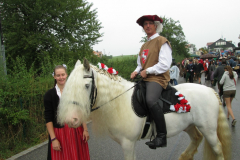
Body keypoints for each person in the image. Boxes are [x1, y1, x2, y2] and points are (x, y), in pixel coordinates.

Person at [130, 15, 172, 149]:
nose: (147, 26)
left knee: (150, 100)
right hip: (145, 77)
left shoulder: (162, 41)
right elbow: (140, 64)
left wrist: (147, 71)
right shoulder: (144, 45)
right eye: (145, 24)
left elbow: (165, 64)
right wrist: (136, 71)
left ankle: (161, 136)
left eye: (149, 23)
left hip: (158, 78)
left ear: (155, 25)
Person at [44, 65, 90, 160]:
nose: (61, 77)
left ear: (67, 75)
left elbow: (80, 111)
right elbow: (48, 118)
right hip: (60, 134)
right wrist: (53, 139)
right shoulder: (49, 95)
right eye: (58, 75)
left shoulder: (74, 91)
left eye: (63, 74)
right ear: (54, 77)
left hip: (76, 131)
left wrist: (85, 129)